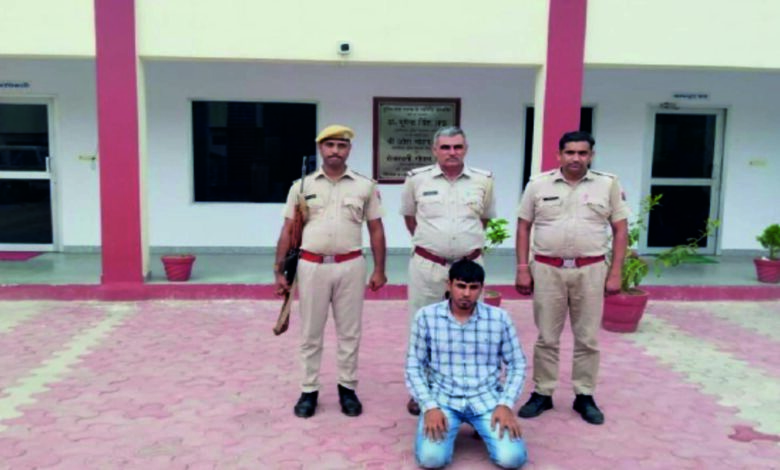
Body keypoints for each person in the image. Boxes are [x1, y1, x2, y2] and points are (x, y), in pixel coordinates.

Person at [514, 131, 629, 425]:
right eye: (570, 152)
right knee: (547, 337)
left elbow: (620, 229)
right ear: (559, 155)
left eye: (582, 153)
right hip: (547, 269)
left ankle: (584, 395)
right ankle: (543, 392)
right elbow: (523, 226)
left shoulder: (608, 185)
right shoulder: (538, 184)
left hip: (590, 270)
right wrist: (523, 268)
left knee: (587, 338)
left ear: (591, 156)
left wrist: (616, 271)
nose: (576, 158)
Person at [274, 124, 387, 418]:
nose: (335, 150)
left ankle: (347, 389)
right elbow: (288, 229)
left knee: (350, 332)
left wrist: (380, 269)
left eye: (341, 145)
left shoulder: (365, 186)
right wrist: (279, 271)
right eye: (330, 145)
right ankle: (308, 390)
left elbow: (376, 229)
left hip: (351, 265)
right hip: (311, 266)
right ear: (320, 148)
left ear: (349, 149)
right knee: (311, 333)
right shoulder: (301, 186)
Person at [400, 126, 496, 415]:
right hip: (429, 266)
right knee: (423, 329)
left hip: (469, 268)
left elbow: (484, 219)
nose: (452, 152)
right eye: (445, 147)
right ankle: (422, 390)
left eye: (457, 147)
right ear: (434, 150)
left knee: (473, 328)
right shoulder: (416, 179)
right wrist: (437, 246)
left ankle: (469, 388)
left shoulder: (483, 180)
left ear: (465, 149)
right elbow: (410, 218)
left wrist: (462, 248)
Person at [406, 259, 528, 469]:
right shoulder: (426, 317)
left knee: (512, 459)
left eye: (473, 288)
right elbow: (414, 366)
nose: (466, 293)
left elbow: (517, 364)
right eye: (460, 286)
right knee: (431, 459)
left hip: (487, 400)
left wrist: (505, 404)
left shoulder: (499, 318)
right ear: (449, 284)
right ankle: (440, 425)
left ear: (481, 288)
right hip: (443, 400)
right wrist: (429, 406)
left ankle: (482, 426)